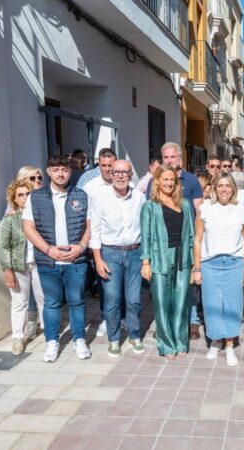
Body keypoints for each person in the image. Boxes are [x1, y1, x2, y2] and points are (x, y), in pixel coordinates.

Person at [22, 155, 92, 363]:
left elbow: (90, 226)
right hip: (48, 261)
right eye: (56, 170)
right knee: (51, 303)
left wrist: (80, 248)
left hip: (75, 262)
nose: (60, 173)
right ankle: (52, 341)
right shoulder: (36, 197)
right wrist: (48, 250)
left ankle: (79, 339)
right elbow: (28, 227)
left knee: (77, 302)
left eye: (65, 169)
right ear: (49, 171)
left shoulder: (81, 195)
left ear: (70, 172)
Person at [146, 142, 203, 340]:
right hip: (163, 246)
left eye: (173, 157)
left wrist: (195, 241)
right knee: (164, 288)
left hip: (184, 242)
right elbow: (151, 214)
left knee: (187, 286)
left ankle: (192, 321)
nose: (170, 160)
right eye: (166, 157)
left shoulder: (192, 180)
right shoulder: (154, 181)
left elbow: (198, 213)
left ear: (180, 158)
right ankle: (165, 325)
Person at [89, 160, 146, 357]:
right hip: (110, 253)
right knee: (112, 300)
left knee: (134, 300)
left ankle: (134, 334)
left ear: (131, 175)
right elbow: (94, 230)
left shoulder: (139, 197)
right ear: (110, 174)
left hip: (135, 253)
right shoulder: (100, 197)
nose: (120, 176)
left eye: (125, 172)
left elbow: (145, 228)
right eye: (116, 172)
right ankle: (113, 339)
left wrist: (146, 257)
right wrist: (97, 259)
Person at [193, 174, 244, 366]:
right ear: (215, 188)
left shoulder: (241, 210)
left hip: (234, 262)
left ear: (233, 189)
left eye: (228, 186)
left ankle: (230, 345)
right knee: (212, 304)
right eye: (220, 186)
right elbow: (198, 240)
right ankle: (216, 341)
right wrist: (197, 268)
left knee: (233, 305)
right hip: (210, 263)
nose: (224, 189)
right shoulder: (205, 209)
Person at [140, 164, 195, 359]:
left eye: (172, 179)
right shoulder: (149, 206)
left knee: (181, 302)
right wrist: (145, 262)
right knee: (162, 303)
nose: (169, 183)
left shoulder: (186, 203)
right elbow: (145, 236)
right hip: (160, 257)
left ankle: (180, 341)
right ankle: (166, 344)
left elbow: (192, 234)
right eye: (165, 179)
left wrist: (195, 263)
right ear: (157, 181)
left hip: (183, 259)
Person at [0, 179, 45, 355]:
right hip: (19, 267)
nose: (25, 198)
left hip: (39, 264)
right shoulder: (10, 220)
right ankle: (18, 338)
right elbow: (4, 247)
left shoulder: (39, 216)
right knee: (19, 302)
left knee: (44, 300)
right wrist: (7, 270)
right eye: (21, 195)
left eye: (28, 193)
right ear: (14, 198)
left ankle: (49, 334)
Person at [82, 148, 117, 338]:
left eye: (110, 165)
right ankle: (106, 318)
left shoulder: (125, 183)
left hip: (119, 243)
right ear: (98, 165)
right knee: (104, 284)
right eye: (103, 165)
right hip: (99, 243)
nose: (107, 169)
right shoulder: (90, 186)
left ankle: (121, 318)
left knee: (121, 285)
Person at [11, 166, 45, 339]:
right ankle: (31, 323)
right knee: (24, 297)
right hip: (22, 261)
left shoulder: (44, 199)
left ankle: (48, 329)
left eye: (39, 178)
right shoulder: (13, 209)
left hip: (41, 257)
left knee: (42, 295)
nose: (38, 181)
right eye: (33, 178)